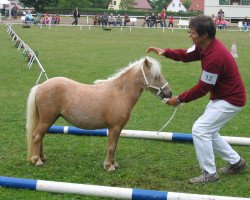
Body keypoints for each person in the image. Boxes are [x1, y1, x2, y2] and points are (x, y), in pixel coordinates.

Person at [146, 15, 247, 184]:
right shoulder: (203, 46)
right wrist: (166, 52)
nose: (190, 35)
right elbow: (186, 54)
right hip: (222, 97)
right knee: (209, 130)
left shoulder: (215, 57)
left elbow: (203, 88)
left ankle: (209, 174)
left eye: (192, 32)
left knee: (200, 129)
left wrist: (179, 99)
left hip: (230, 100)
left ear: (204, 34)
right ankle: (236, 162)